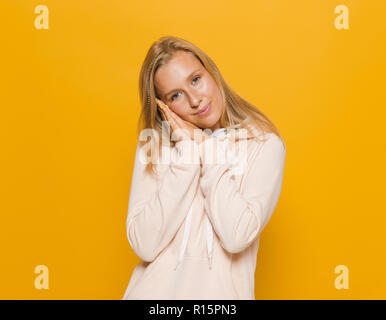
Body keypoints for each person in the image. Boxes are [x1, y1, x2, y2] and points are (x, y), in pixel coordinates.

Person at [122, 36, 287, 300]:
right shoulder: (154, 148)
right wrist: (187, 154)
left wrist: (206, 148)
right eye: (176, 95)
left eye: (195, 79)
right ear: (164, 107)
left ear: (212, 71)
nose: (195, 100)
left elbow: (236, 235)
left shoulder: (263, 145)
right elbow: (145, 245)